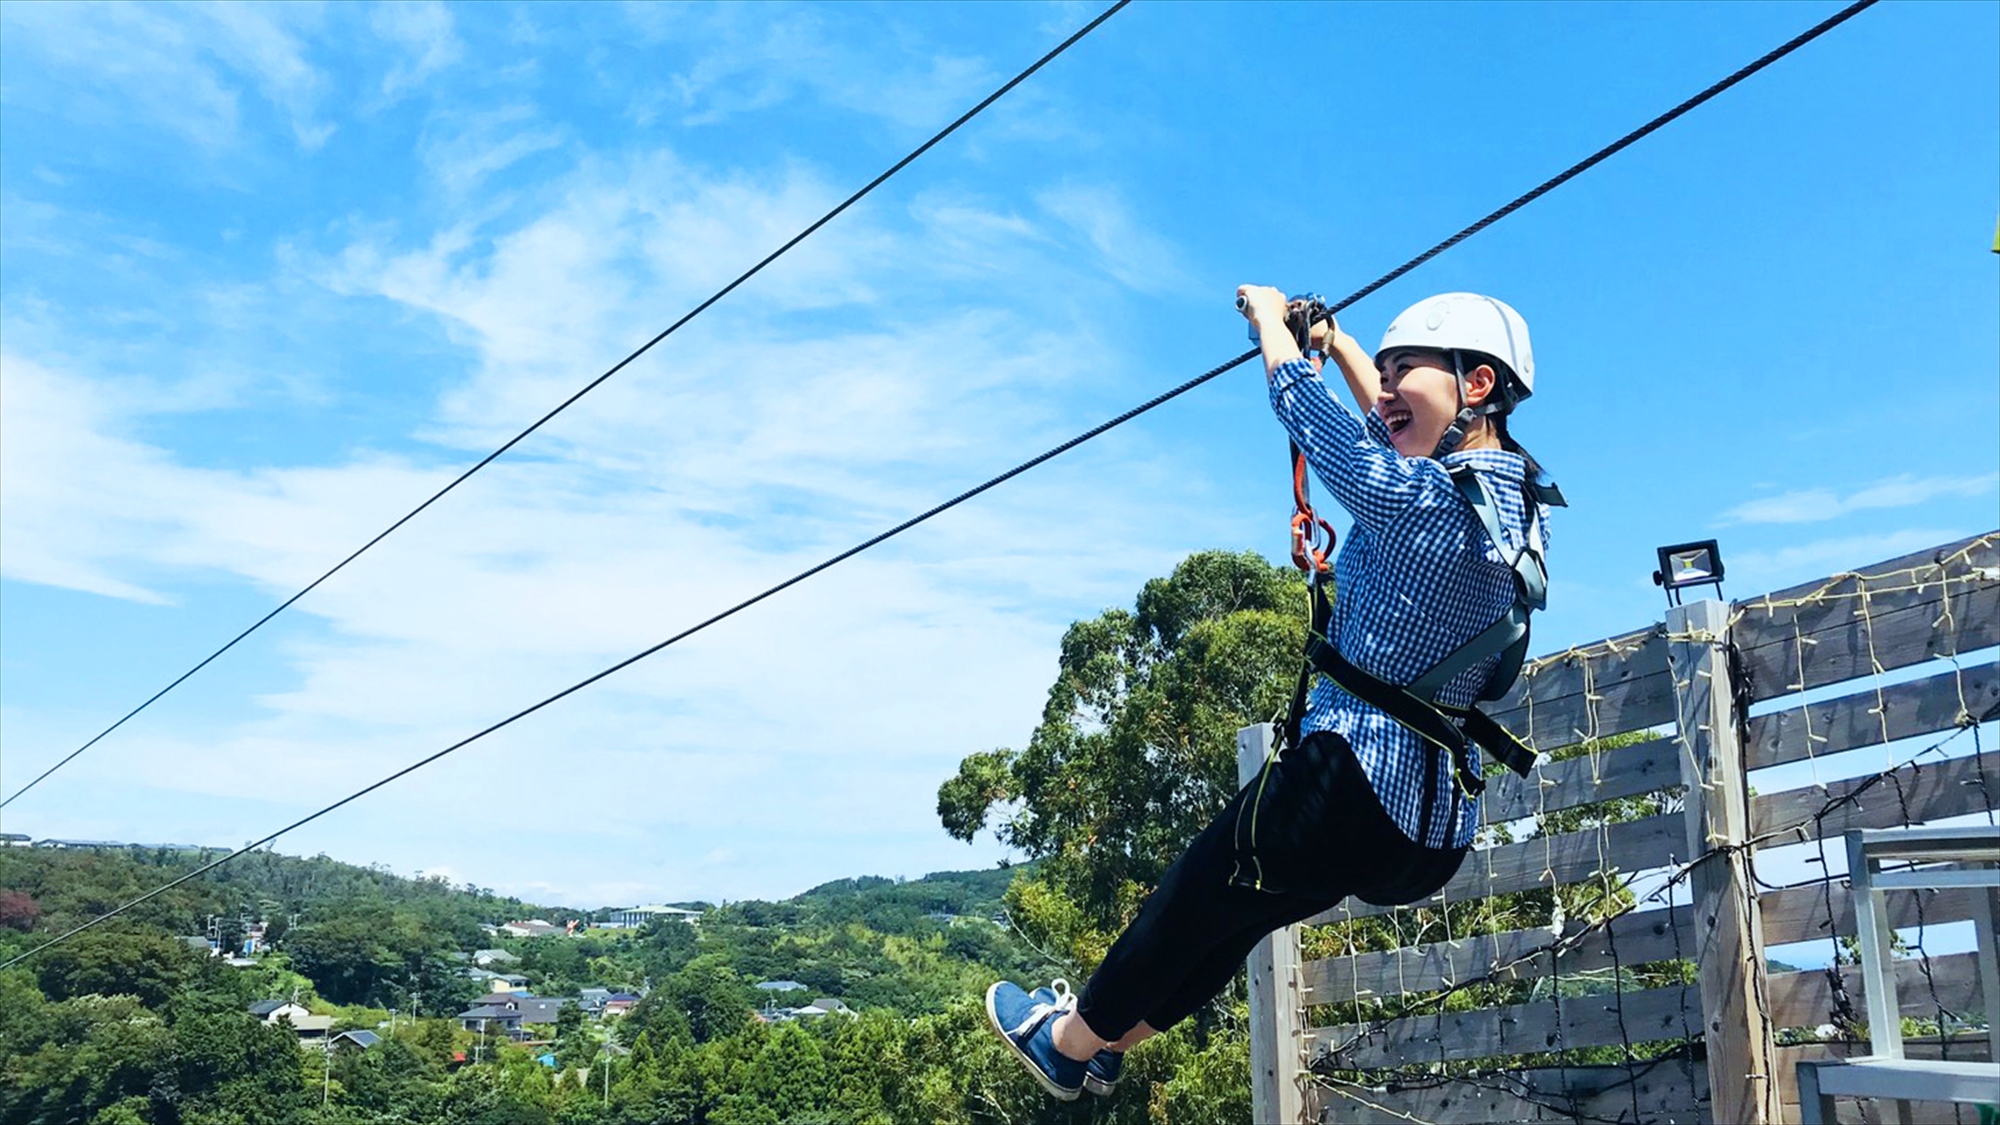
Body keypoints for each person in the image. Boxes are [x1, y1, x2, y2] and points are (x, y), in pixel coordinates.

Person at [984, 287, 1560, 1101]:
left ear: (1474, 386)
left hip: (1349, 779)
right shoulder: (1515, 506)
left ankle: (1066, 1041)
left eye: (1409, 372)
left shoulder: (1415, 499)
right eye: (1384, 372)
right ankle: (1112, 1044)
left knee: (1193, 895)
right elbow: (1392, 426)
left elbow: (1328, 429)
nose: (1386, 388)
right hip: (1429, 827)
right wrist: (1342, 341)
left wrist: (1271, 329)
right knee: (1238, 917)